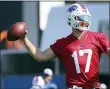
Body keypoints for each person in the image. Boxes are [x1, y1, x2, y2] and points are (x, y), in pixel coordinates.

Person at [20, 3, 109, 89]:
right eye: (82, 18)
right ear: (72, 18)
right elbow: (40, 55)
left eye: (87, 18)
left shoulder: (98, 37)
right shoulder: (63, 43)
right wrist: (25, 39)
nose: (85, 21)